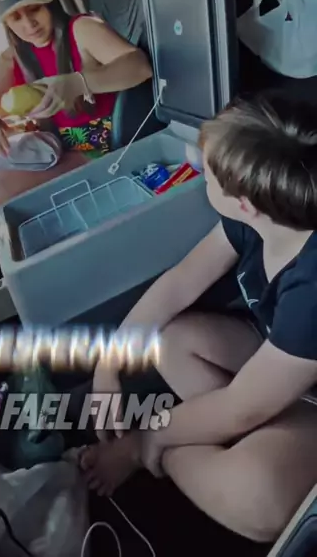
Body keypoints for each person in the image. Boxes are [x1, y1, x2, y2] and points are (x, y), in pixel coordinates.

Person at [80, 92, 317, 544]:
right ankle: (236, 436)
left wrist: (146, 441)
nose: (200, 173)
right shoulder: (264, 214)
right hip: (277, 372)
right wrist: (108, 363)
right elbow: (181, 281)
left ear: (244, 201)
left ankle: (160, 453)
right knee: (169, 341)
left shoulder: (312, 286)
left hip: (297, 396)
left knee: (257, 497)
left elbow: (242, 405)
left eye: (207, 174)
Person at [0, 0, 152, 213]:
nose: (29, 24)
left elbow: (140, 67)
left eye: (34, 9)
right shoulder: (13, 58)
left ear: (50, 1)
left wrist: (78, 83)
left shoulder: (82, 29)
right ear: (6, 23)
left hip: (102, 151)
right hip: (55, 148)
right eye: (16, 17)